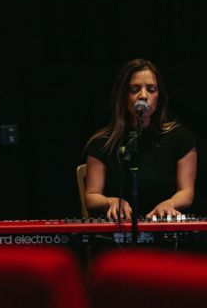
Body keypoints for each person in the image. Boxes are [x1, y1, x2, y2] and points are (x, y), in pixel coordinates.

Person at [83, 58, 197, 220]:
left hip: (164, 231)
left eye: (151, 89)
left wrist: (169, 204)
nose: (143, 96)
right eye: (135, 89)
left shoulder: (180, 139)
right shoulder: (102, 142)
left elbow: (186, 192)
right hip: (118, 231)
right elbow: (92, 196)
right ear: (123, 96)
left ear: (159, 96)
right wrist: (111, 202)